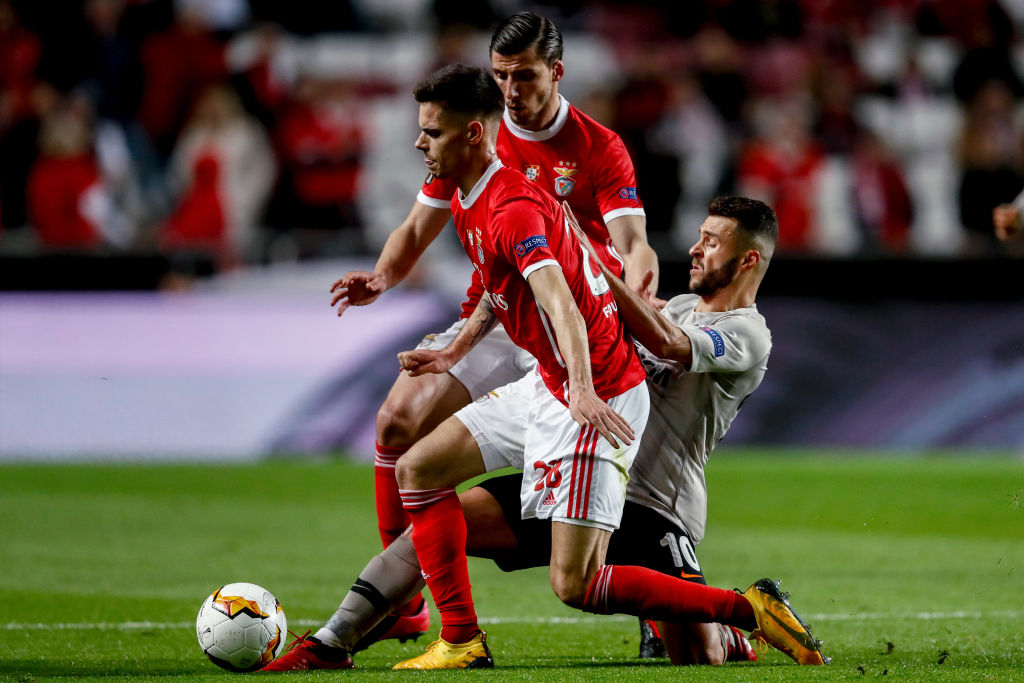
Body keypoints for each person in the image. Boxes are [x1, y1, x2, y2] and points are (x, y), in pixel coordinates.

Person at [265, 196, 829, 671]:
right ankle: (331, 642)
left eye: (711, 241)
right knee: (435, 529)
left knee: (698, 657)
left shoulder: (748, 334)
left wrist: (591, 263)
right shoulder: (678, 304)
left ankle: (729, 624)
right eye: (700, 236)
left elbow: (667, 343)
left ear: (749, 259)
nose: (696, 248)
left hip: (654, 502)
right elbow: (608, 316)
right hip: (574, 468)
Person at [328, 10, 657, 643]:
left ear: (556, 72)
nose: (510, 89)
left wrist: (641, 284)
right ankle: (403, 602)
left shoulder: (598, 146)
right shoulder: (471, 133)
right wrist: (382, 277)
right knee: (397, 422)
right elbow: (416, 227)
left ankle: (660, 609)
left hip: (579, 321)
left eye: (524, 76)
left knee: (633, 467)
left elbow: (632, 242)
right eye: (501, 75)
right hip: (502, 316)